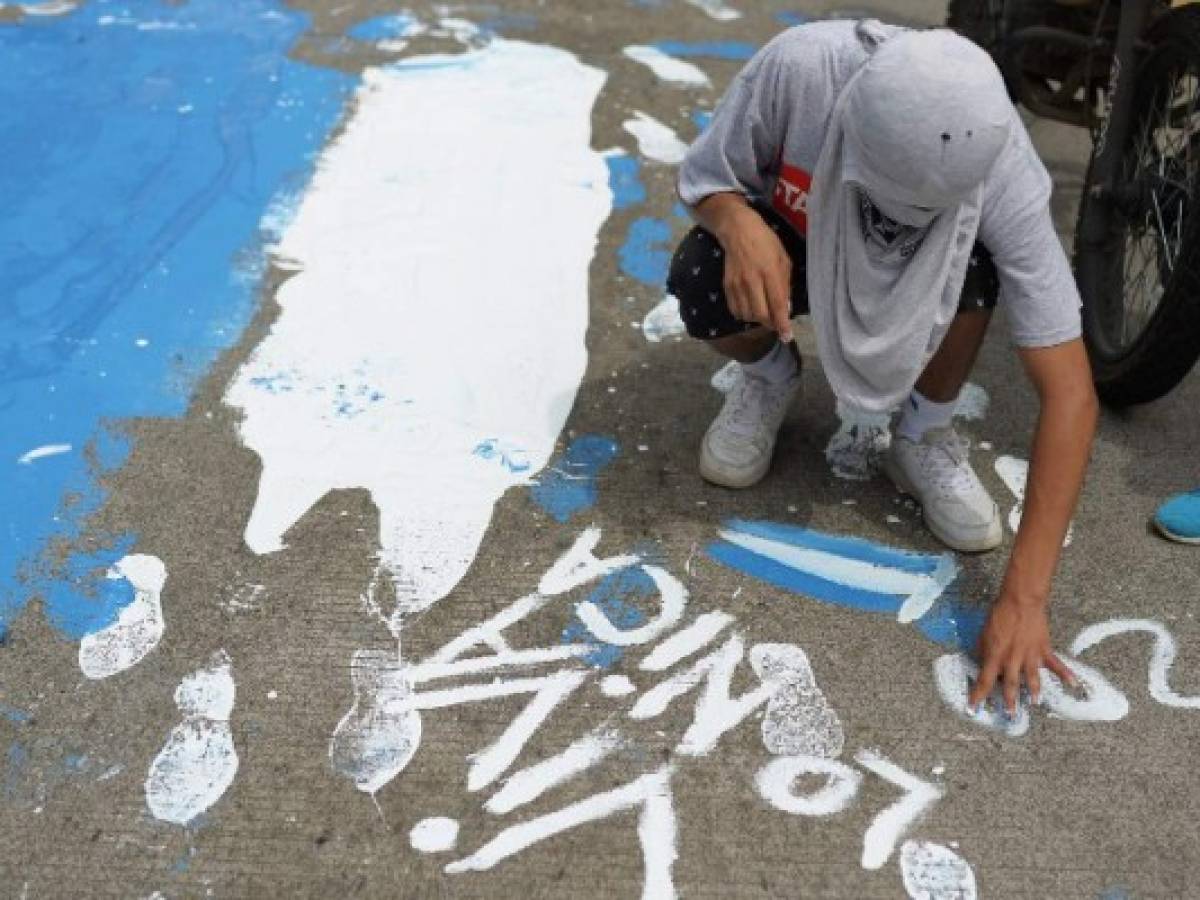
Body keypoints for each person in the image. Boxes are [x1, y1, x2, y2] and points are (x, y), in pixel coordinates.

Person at [669, 20, 1098, 714]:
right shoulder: (802, 70)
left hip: (929, 282)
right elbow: (705, 177)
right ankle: (768, 377)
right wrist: (734, 220)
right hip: (803, 248)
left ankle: (922, 431)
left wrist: (1024, 598)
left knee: (980, 270)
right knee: (703, 273)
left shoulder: (1002, 161)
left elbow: (1071, 393)